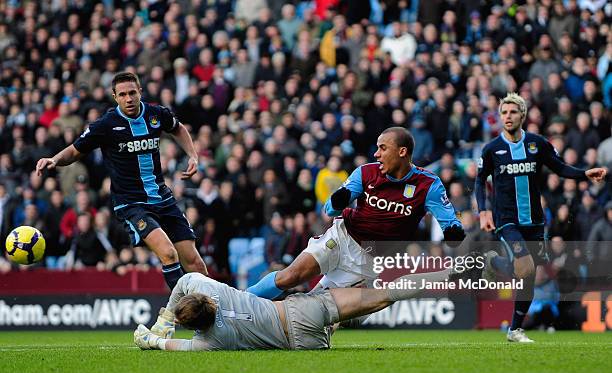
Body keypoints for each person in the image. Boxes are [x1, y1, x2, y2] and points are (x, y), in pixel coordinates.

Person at [247, 127, 465, 299]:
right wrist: (339, 201)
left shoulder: (429, 184)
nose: (376, 153)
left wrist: (453, 232)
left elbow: (449, 223)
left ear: (402, 152)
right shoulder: (366, 172)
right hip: (342, 238)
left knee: (317, 309)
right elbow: (329, 209)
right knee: (291, 276)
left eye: (382, 148)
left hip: (369, 262)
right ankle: (242, 300)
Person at [36, 72, 207, 288]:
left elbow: (178, 129)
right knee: (169, 254)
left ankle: (214, 316)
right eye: (123, 94)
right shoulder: (106, 125)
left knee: (196, 264)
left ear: (140, 93)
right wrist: (54, 159)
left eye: (132, 93)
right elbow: (75, 150)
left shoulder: (156, 114)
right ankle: (177, 315)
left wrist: (193, 155)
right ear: (115, 96)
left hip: (162, 198)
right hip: (132, 204)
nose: (129, 99)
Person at [474, 92, 607, 343]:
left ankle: (514, 328)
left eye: (513, 112)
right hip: (507, 218)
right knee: (525, 266)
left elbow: (560, 167)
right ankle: (496, 266)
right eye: (504, 112)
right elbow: (480, 181)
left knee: (530, 275)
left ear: (522, 115)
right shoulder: (492, 149)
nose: (508, 116)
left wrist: (584, 174)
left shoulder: (536, 144)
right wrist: (483, 211)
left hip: (534, 219)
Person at [134, 267, 474, 351]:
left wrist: (150, 340)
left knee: (338, 314)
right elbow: (184, 280)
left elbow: (175, 345)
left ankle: (342, 321)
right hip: (299, 311)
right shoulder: (213, 290)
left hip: (301, 343)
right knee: (385, 294)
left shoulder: (212, 341)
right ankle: (449, 273)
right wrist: (165, 317)